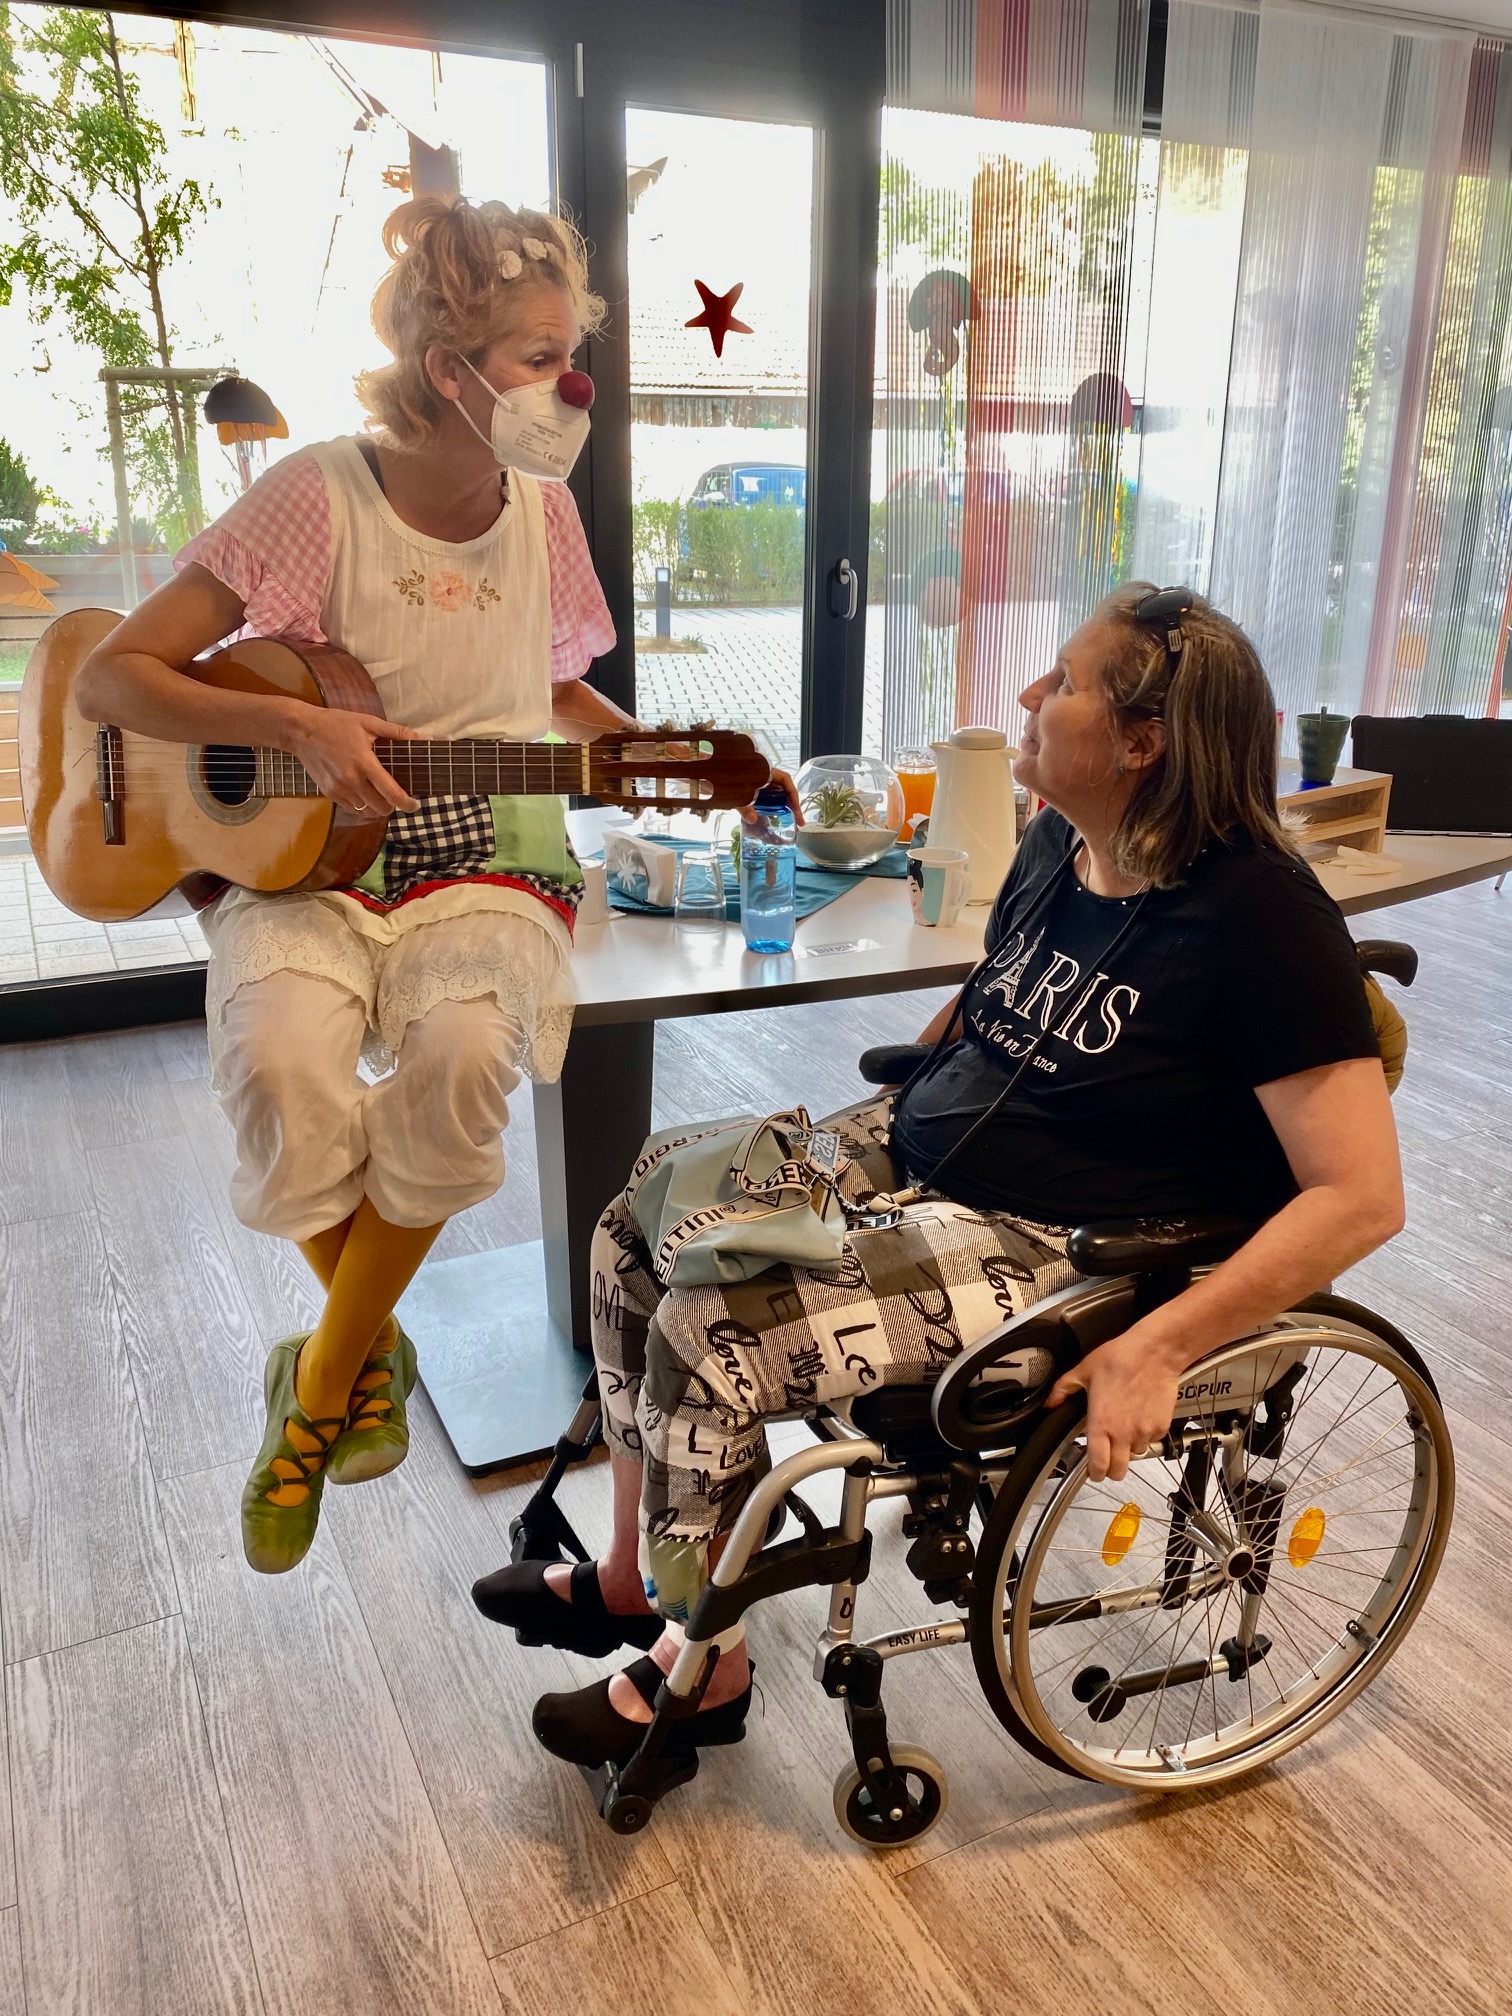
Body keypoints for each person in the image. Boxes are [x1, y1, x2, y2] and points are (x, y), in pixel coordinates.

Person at [474, 583, 1406, 1773]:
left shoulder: (1262, 918)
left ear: (1143, 741)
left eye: (1064, 682)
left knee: (711, 1329)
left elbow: (1361, 1196)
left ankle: (701, 1666)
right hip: (924, 1152)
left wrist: (1160, 1348)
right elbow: (993, 997)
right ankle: (630, 1573)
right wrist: (879, 1127)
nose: (1029, 694)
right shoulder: (1060, 846)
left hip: (1062, 1243)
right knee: (634, 1218)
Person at [76, 195, 635, 1575]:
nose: (570, 387)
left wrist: (645, 752)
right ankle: (360, 1351)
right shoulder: (313, 495)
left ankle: (319, 1382)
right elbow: (110, 677)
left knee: (461, 1059)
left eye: (572, 355)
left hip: (488, 847)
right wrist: (293, 724)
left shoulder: (547, 513)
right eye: (537, 357)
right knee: (278, 1065)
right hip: (308, 850)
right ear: (448, 370)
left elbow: (544, 684)